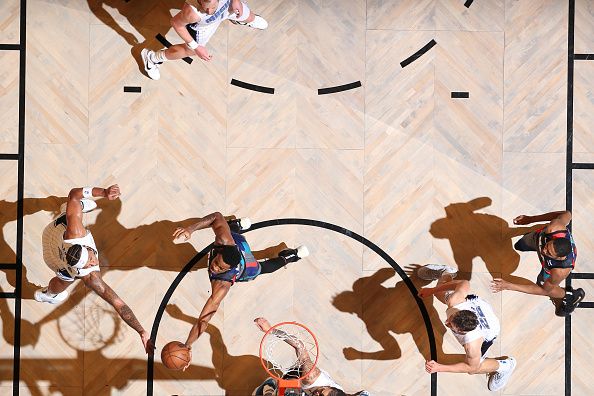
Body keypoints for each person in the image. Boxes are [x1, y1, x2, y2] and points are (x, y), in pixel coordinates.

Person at [172, 212, 308, 361]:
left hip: (245, 268)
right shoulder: (224, 241)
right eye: (216, 263)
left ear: (227, 270)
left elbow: (203, 321)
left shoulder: (222, 285)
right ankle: (236, 226)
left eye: (220, 268)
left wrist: (187, 345)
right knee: (225, 228)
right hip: (238, 243)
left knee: (262, 268)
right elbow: (217, 217)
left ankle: (291, 256)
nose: (215, 269)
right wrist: (191, 229)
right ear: (221, 250)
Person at [35, 185, 154, 354]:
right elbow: (119, 305)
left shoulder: (76, 233)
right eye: (90, 265)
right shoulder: (90, 277)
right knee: (65, 279)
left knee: (72, 209)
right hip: (53, 257)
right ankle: (49, 294)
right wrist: (141, 330)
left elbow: (74, 194)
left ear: (84, 247)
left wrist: (103, 193)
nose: (93, 263)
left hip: (52, 233)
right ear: (83, 268)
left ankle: (49, 294)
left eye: (91, 258)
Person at [417, 264, 516, 392]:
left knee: (475, 368)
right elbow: (464, 283)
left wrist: (439, 367)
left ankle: (506, 366)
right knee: (440, 293)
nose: (446, 322)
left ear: (462, 331)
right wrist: (431, 291)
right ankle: (447, 272)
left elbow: (470, 367)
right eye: (450, 319)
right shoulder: (456, 301)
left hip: (490, 328)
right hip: (478, 305)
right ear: (459, 312)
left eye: (451, 325)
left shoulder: (472, 345)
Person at [141, 0, 268, 80]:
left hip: (227, 7)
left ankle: (240, 18)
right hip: (203, 25)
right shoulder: (192, 12)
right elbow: (176, 23)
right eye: (205, 6)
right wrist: (196, 47)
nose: (208, 11)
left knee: (249, 16)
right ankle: (152, 58)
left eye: (211, 7)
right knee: (190, 51)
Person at [490, 210, 585, 316]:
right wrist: (531, 219)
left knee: (543, 285)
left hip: (548, 267)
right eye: (547, 246)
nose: (544, 251)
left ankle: (569, 296)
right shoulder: (555, 228)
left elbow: (545, 291)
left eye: (549, 253)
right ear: (553, 239)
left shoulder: (559, 271)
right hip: (537, 237)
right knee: (519, 245)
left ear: (559, 257)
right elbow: (567, 214)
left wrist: (510, 286)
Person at [253, 317, 370, 396]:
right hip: (297, 376)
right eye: (322, 392)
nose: (317, 394)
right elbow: (300, 346)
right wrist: (271, 330)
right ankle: (270, 388)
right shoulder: (312, 377)